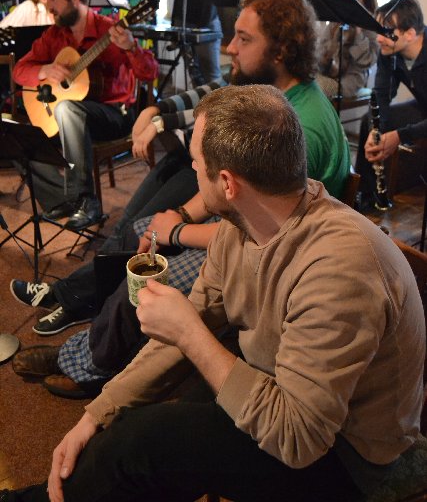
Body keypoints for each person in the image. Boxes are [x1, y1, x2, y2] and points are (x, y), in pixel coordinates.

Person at [3, 84, 425, 502]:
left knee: (144, 443)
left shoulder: (339, 269)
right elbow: (185, 329)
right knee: (146, 424)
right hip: (281, 385)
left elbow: (299, 438)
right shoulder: (241, 227)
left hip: (350, 456)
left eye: (196, 162)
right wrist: (97, 414)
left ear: (227, 183)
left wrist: (189, 333)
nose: (192, 169)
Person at [10, 0, 351, 340]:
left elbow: (260, 233)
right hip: (233, 186)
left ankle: (80, 306)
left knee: (143, 231)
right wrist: (158, 113)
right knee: (137, 216)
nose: (230, 47)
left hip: (261, 250)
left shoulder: (297, 129)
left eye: (244, 39)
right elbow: (212, 92)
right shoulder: (271, 90)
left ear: (280, 51)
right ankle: (78, 296)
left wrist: (177, 225)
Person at [12, 0, 158, 230]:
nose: (48, 6)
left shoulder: (109, 30)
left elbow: (149, 73)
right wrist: (45, 70)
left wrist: (131, 48)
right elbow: (20, 70)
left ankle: (86, 200)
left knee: (67, 108)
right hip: (68, 119)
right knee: (16, 137)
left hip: (113, 116)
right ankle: (65, 200)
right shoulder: (54, 35)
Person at [355, 0, 427, 208]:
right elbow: (381, 95)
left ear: (410, 34)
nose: (379, 39)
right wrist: (376, 131)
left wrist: (399, 136)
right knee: (369, 121)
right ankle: (367, 196)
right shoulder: (390, 51)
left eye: (386, 32)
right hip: (422, 106)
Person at [316, 0, 379, 99]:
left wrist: (358, 32)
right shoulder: (338, 16)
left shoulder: (372, 22)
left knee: (317, 88)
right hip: (328, 72)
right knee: (298, 82)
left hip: (350, 80)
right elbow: (322, 47)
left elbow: (366, 61)